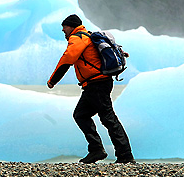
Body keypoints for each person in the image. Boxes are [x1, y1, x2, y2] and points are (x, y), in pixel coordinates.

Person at [47, 14, 136, 164]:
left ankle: (125, 155)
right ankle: (96, 150)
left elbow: (68, 58)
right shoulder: (87, 36)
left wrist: (52, 80)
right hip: (95, 85)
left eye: (65, 27)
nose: (63, 30)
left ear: (72, 26)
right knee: (81, 114)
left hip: (97, 84)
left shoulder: (78, 38)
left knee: (108, 118)